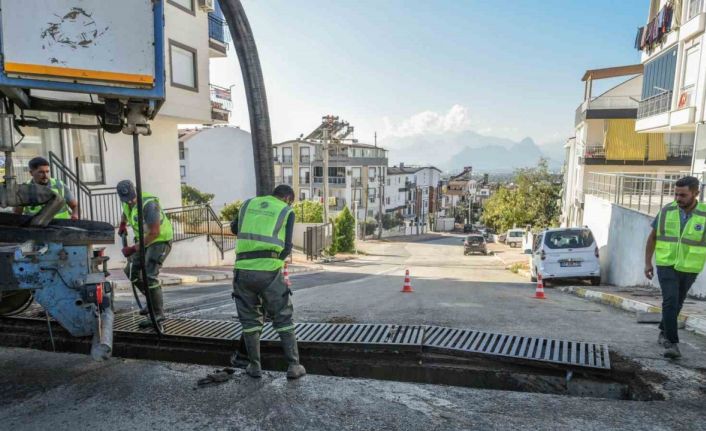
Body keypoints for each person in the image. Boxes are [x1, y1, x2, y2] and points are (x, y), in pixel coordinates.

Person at [230, 184, 305, 379]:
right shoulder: (286, 210)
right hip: (270, 271)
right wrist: (276, 262)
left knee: (249, 320)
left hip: (243, 270)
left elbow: (234, 228)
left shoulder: (247, 205)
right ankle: (293, 366)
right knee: (283, 317)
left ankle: (254, 366)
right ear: (288, 198)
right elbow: (287, 247)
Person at [645, 176, 706, 359]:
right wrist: (648, 262)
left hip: (690, 266)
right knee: (670, 300)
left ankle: (664, 330)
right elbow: (652, 238)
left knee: (677, 302)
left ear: (696, 193)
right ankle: (672, 343)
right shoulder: (666, 211)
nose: (678, 198)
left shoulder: (704, 215)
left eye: (683, 195)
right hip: (666, 264)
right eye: (676, 194)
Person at [117, 180, 174, 328]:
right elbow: (125, 211)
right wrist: (122, 224)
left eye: (132, 197)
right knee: (131, 271)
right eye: (127, 199)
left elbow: (154, 233)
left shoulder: (148, 205)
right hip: (144, 240)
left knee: (149, 275)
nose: (130, 201)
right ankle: (151, 302)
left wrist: (133, 249)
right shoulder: (126, 202)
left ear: (135, 191)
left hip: (159, 240)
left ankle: (158, 313)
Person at [13, 156, 79, 219]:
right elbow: (17, 213)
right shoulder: (24, 189)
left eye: (47, 171)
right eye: (41, 172)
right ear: (31, 173)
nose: (46, 176)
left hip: (61, 227)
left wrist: (75, 214)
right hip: (35, 228)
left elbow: (75, 206)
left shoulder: (59, 185)